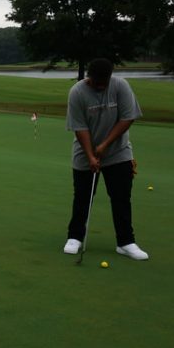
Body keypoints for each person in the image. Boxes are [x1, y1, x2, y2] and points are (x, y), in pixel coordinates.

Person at [63, 57, 149, 260]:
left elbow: (128, 118)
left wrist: (104, 145)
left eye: (105, 82)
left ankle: (126, 242)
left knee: (121, 198)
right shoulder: (77, 92)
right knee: (83, 197)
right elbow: (79, 127)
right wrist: (91, 154)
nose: (101, 86)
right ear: (88, 77)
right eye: (96, 82)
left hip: (119, 152)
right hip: (84, 153)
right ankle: (75, 237)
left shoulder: (120, 86)